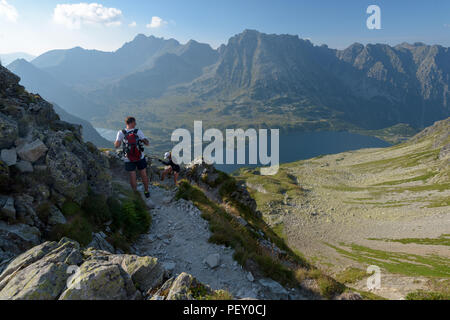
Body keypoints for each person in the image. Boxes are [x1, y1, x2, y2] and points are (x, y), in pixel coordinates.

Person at [114, 117, 151, 198]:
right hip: (140, 157)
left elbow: (117, 145)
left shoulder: (121, 132)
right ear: (131, 122)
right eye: (135, 122)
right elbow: (147, 143)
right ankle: (146, 191)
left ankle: (135, 194)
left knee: (132, 175)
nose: (135, 124)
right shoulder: (138, 131)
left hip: (128, 158)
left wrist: (118, 141)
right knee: (143, 174)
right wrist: (144, 140)